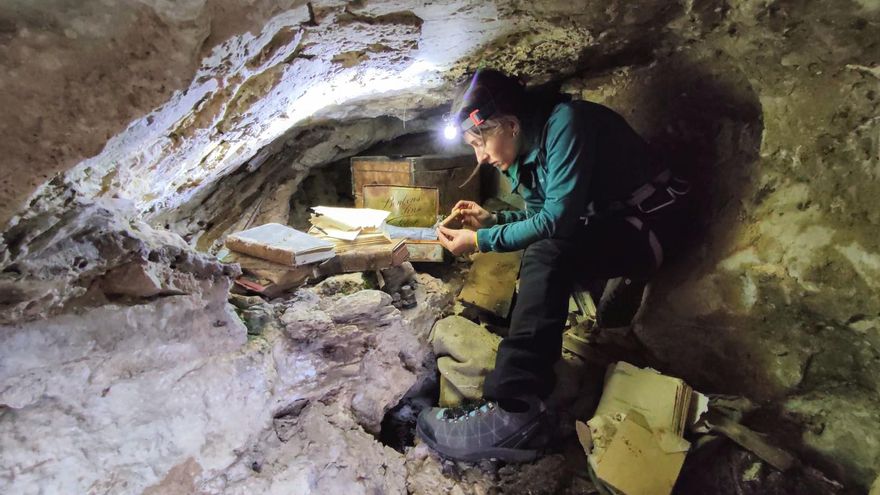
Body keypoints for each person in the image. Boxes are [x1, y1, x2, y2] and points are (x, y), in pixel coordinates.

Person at [416, 68, 690, 463]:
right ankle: (539, 359)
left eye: (480, 142)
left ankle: (512, 410)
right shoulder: (528, 151)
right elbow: (541, 215)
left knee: (547, 251)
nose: (480, 156)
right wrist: (493, 222)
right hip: (616, 221)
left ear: (509, 125)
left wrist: (479, 240)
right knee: (541, 247)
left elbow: (555, 223)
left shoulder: (568, 123)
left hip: (655, 225)